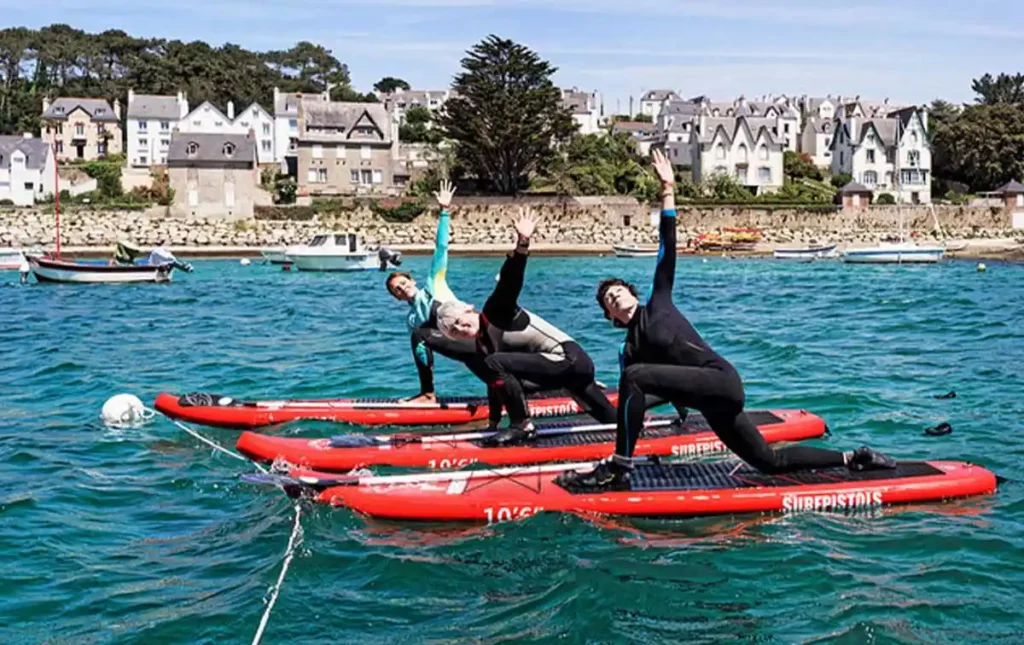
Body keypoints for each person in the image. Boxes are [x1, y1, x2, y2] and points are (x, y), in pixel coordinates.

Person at [556, 149, 897, 489]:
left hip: (721, 382)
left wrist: (668, 189)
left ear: (631, 293)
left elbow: (667, 245)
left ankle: (620, 467)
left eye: (617, 290)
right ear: (611, 316)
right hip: (710, 405)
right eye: (607, 300)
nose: (614, 296)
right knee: (768, 462)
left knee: (634, 376)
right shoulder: (629, 352)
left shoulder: (658, 301)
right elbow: (637, 403)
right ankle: (855, 458)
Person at [435, 210, 617, 446]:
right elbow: (496, 385)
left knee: (494, 363)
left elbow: (510, 282)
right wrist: (492, 424)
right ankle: (640, 431)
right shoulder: (483, 345)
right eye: (454, 331)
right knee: (613, 425)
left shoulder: (495, 311)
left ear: (470, 309)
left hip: (570, 360)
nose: (461, 328)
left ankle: (522, 424)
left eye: (459, 320)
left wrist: (522, 245)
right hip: (567, 375)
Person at [386, 180, 489, 404]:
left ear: (412, 280)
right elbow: (423, 354)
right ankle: (428, 394)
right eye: (397, 290)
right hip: (457, 343)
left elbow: (441, 248)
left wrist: (444, 211)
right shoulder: (413, 319)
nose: (402, 288)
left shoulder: (434, 283)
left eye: (403, 283)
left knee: (495, 369)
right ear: (397, 297)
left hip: (478, 334)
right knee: (419, 335)